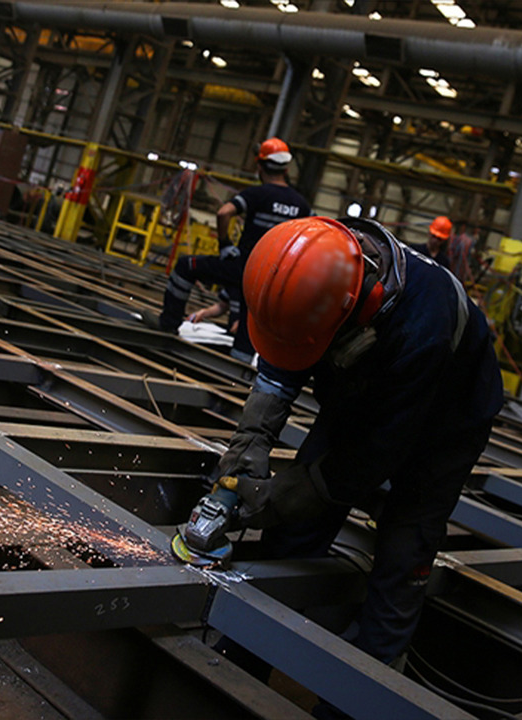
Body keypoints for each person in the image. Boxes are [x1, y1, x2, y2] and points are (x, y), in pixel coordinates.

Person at [204, 216, 503, 692]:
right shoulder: (316, 260)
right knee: (295, 533)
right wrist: (246, 452)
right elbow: (280, 368)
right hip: (364, 389)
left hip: (447, 422)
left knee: (404, 550)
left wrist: (275, 499)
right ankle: (243, 661)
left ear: (356, 313)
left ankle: (362, 693)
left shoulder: (424, 326)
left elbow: (372, 458)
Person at [153, 138, 310, 361]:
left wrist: (225, 245)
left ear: (260, 166)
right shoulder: (301, 204)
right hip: (270, 279)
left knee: (186, 266)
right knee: (250, 312)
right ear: (285, 168)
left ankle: (168, 325)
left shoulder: (258, 194)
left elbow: (224, 212)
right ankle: (240, 363)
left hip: (243, 267)